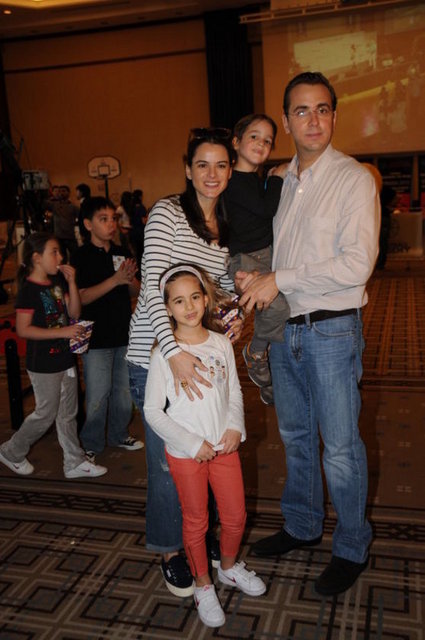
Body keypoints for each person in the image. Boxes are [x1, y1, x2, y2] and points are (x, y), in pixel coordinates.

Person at [237, 72, 380, 597]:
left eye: (322, 109)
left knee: (339, 447)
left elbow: (357, 264)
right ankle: (301, 525)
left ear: (335, 116)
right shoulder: (278, 181)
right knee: (296, 438)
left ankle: (352, 546)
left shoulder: (353, 179)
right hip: (283, 330)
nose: (313, 120)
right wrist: (251, 275)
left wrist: (281, 278)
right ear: (286, 120)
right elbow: (264, 246)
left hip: (332, 329)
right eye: (301, 110)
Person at [126, 127, 241, 598]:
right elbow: (154, 287)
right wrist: (173, 354)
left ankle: (197, 534)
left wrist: (233, 314)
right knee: (167, 464)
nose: (212, 174)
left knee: (204, 452)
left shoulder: (224, 226)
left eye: (221, 165)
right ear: (187, 170)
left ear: (230, 170)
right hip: (155, 358)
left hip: (200, 357)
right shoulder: (168, 214)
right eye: (202, 165)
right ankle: (170, 549)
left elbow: (216, 290)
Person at [144, 264, 266, 627]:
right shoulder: (164, 354)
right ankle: (202, 584)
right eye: (179, 301)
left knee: (235, 516)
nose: (189, 307)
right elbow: (152, 411)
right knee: (196, 521)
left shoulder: (221, 343)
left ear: (206, 299)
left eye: (195, 297)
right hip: (187, 455)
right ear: (168, 308)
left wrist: (235, 427)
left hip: (224, 449)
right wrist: (191, 443)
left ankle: (227, 567)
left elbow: (234, 392)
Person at [0, 232, 107, 479]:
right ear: (37, 258)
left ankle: (74, 462)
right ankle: (11, 451)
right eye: (54, 252)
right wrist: (63, 331)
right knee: (45, 414)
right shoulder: (29, 290)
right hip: (43, 364)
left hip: (64, 359)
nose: (60, 258)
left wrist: (72, 283)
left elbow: (74, 312)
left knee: (68, 414)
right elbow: (23, 329)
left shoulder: (57, 283)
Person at [223, 113, 290, 405]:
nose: (261, 143)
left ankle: (269, 378)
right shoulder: (233, 180)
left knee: (276, 310)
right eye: (254, 137)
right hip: (246, 259)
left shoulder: (252, 179)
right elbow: (266, 210)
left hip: (267, 256)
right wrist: (276, 179)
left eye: (268, 140)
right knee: (277, 309)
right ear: (236, 142)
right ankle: (256, 352)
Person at [71, 197, 143, 461]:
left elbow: (135, 291)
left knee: (124, 393)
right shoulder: (80, 256)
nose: (111, 224)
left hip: (123, 333)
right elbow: (82, 297)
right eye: (104, 219)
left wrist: (130, 279)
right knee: (98, 394)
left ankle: (118, 434)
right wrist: (115, 280)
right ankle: (91, 442)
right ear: (88, 224)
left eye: (113, 218)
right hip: (96, 338)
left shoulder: (121, 252)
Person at [45, 185, 79, 260]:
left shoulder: (73, 207)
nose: (61, 193)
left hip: (70, 237)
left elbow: (81, 217)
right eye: (60, 191)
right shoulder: (54, 205)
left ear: (68, 193)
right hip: (59, 237)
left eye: (63, 191)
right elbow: (43, 203)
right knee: (61, 259)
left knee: (76, 257)